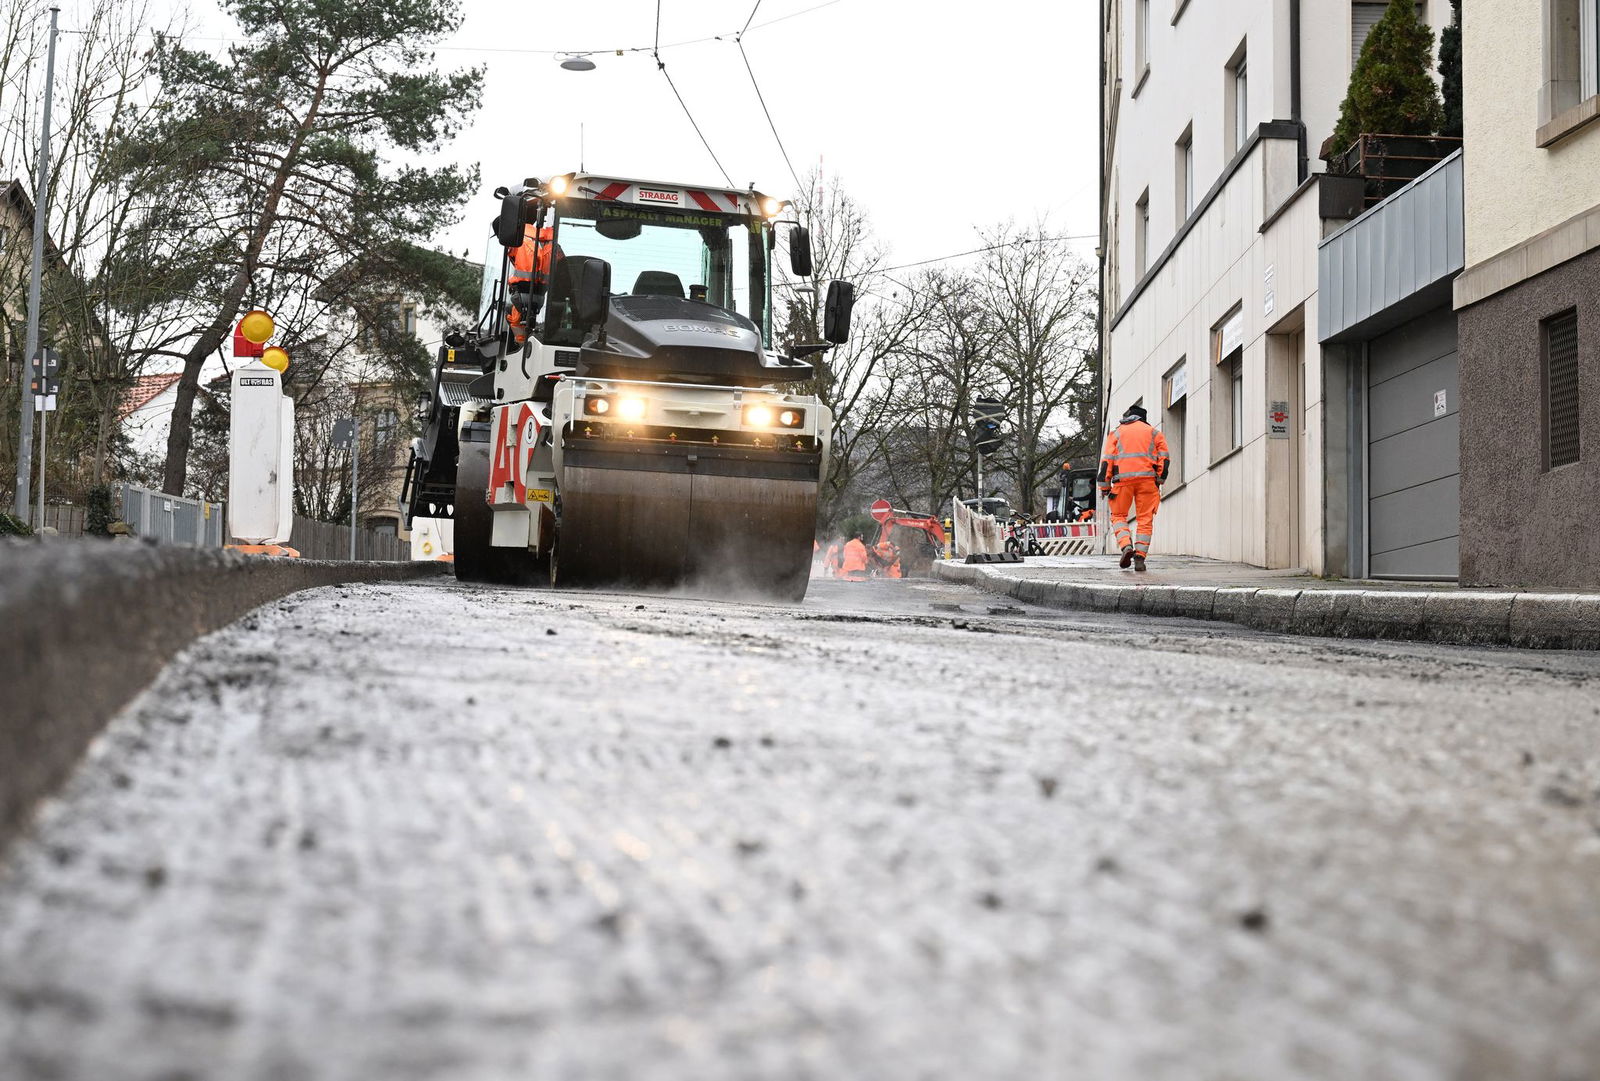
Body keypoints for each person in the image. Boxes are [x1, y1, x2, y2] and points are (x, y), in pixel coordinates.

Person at [1098, 402, 1170, 572]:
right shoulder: (1154, 433)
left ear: (1129, 417)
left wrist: (1104, 486)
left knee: (1118, 516)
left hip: (1122, 481)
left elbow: (1107, 460)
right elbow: (1165, 459)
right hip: (1147, 482)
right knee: (1145, 519)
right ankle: (1140, 557)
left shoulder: (1115, 433)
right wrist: (1160, 479)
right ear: (1143, 419)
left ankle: (1126, 546)